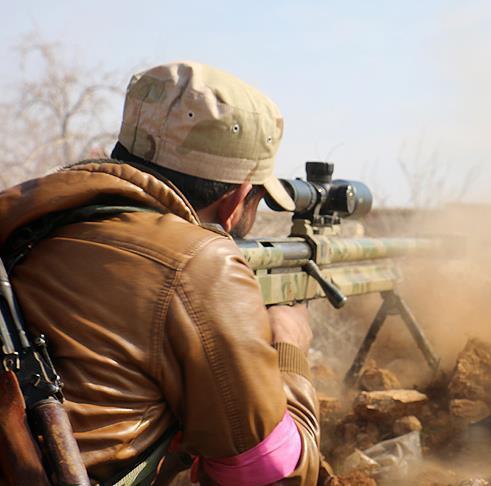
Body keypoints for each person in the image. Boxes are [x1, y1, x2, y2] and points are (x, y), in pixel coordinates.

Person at [0, 61, 322, 485]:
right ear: (237, 199)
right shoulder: (199, 263)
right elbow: (269, 475)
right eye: (257, 199)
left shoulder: (22, 219)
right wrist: (288, 347)